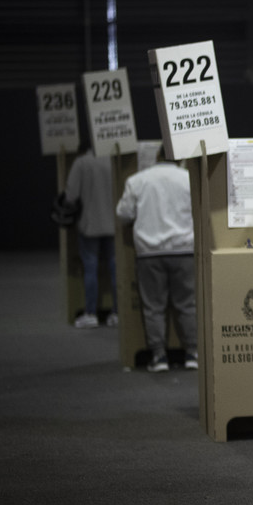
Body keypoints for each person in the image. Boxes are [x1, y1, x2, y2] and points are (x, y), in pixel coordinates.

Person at [114, 151, 198, 373]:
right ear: (179, 158)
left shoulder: (138, 180)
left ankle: (159, 356)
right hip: (184, 250)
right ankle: (193, 353)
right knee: (188, 304)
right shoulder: (189, 179)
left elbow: (123, 214)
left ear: (156, 157)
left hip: (149, 253)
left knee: (153, 307)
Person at [65, 143, 118, 329]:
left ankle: (90, 313)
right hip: (113, 224)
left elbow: (71, 195)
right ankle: (117, 313)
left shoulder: (81, 163)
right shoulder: (114, 160)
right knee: (115, 269)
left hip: (89, 225)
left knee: (90, 269)